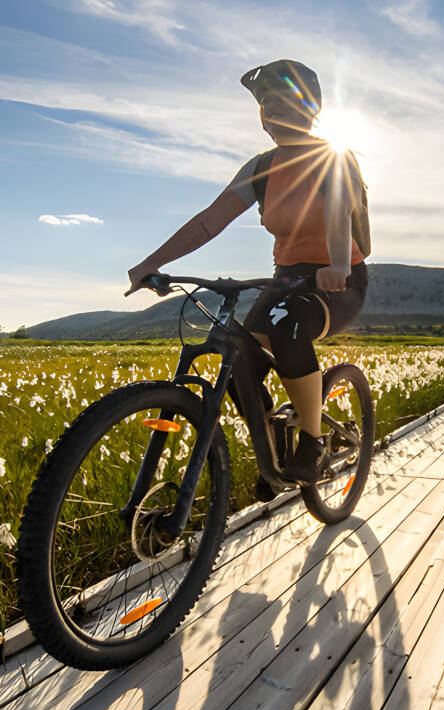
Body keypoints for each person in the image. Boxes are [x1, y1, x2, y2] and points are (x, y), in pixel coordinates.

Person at [125, 59, 369, 500]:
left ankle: (312, 444)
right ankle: (273, 447)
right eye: (266, 106)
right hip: (286, 279)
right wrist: (151, 263)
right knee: (238, 360)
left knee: (288, 325)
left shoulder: (333, 157)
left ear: (310, 109)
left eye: (283, 104)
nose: (273, 114)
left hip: (338, 280)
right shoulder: (262, 167)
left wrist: (336, 262)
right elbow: (208, 222)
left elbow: (337, 213)